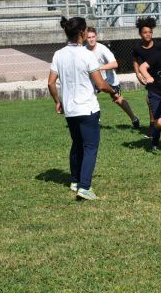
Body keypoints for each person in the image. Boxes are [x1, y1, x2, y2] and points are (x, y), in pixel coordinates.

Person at [48, 16, 120, 201]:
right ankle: (84, 187)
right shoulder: (87, 54)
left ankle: (74, 181)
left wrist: (58, 101)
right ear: (82, 33)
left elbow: (50, 83)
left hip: (70, 110)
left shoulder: (58, 54)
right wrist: (113, 92)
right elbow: (101, 84)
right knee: (90, 147)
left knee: (77, 144)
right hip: (87, 108)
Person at [86, 27, 140, 129]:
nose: (91, 39)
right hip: (93, 80)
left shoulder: (102, 49)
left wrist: (98, 68)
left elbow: (115, 64)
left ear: (96, 37)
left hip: (109, 79)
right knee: (89, 97)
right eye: (89, 37)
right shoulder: (84, 50)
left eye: (93, 37)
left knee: (117, 99)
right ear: (85, 38)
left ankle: (134, 119)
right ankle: (95, 121)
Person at [132, 17, 161, 135]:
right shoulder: (137, 47)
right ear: (140, 34)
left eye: (150, 32)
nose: (148, 34)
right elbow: (135, 60)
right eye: (145, 32)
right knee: (150, 99)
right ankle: (153, 124)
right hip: (149, 76)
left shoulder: (159, 46)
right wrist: (138, 74)